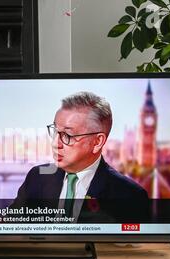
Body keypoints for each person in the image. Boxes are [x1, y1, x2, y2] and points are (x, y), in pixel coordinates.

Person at [10, 91, 150, 223]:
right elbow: (10, 226)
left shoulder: (130, 196)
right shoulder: (37, 177)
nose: (55, 144)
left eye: (67, 136)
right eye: (55, 131)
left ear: (97, 142)